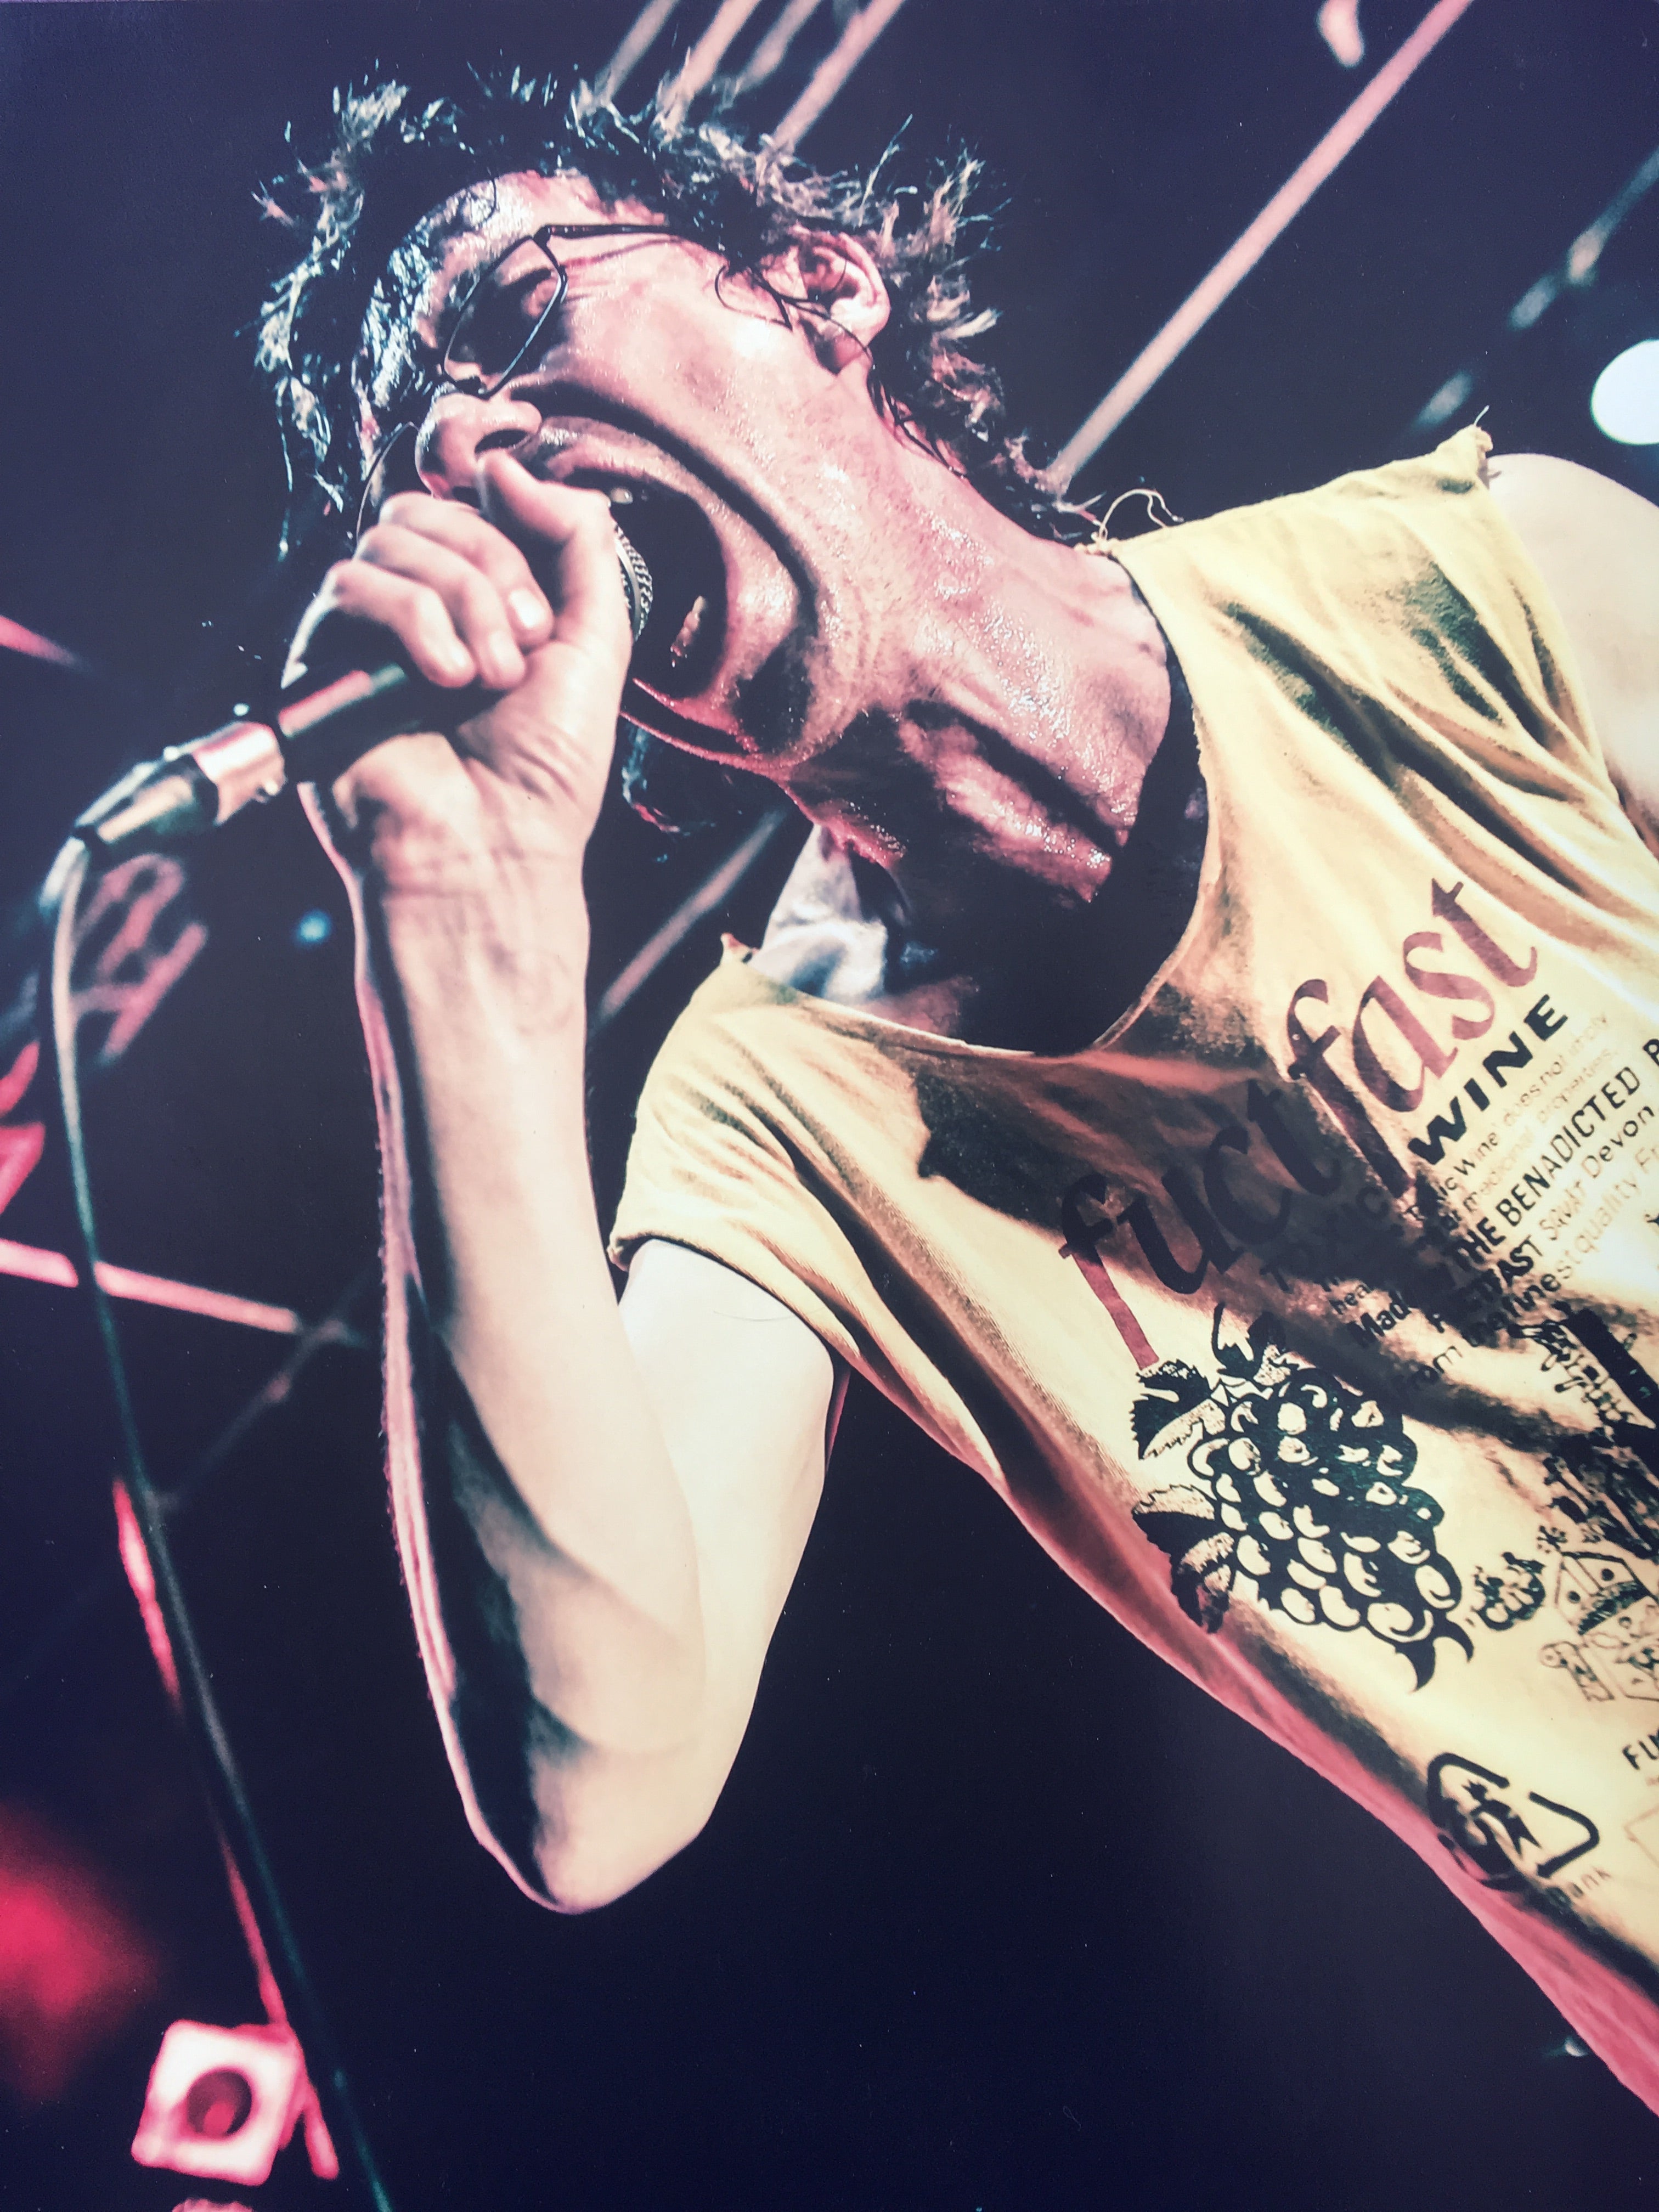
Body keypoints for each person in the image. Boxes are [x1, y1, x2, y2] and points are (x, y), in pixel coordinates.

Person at [261, 75, 1659, 2109]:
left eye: (511, 312)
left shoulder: (1485, 588)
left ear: (815, 287)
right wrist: (456, 918)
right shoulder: (786, 1122)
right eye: (432, 459)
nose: (480, 455)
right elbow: (591, 1786)